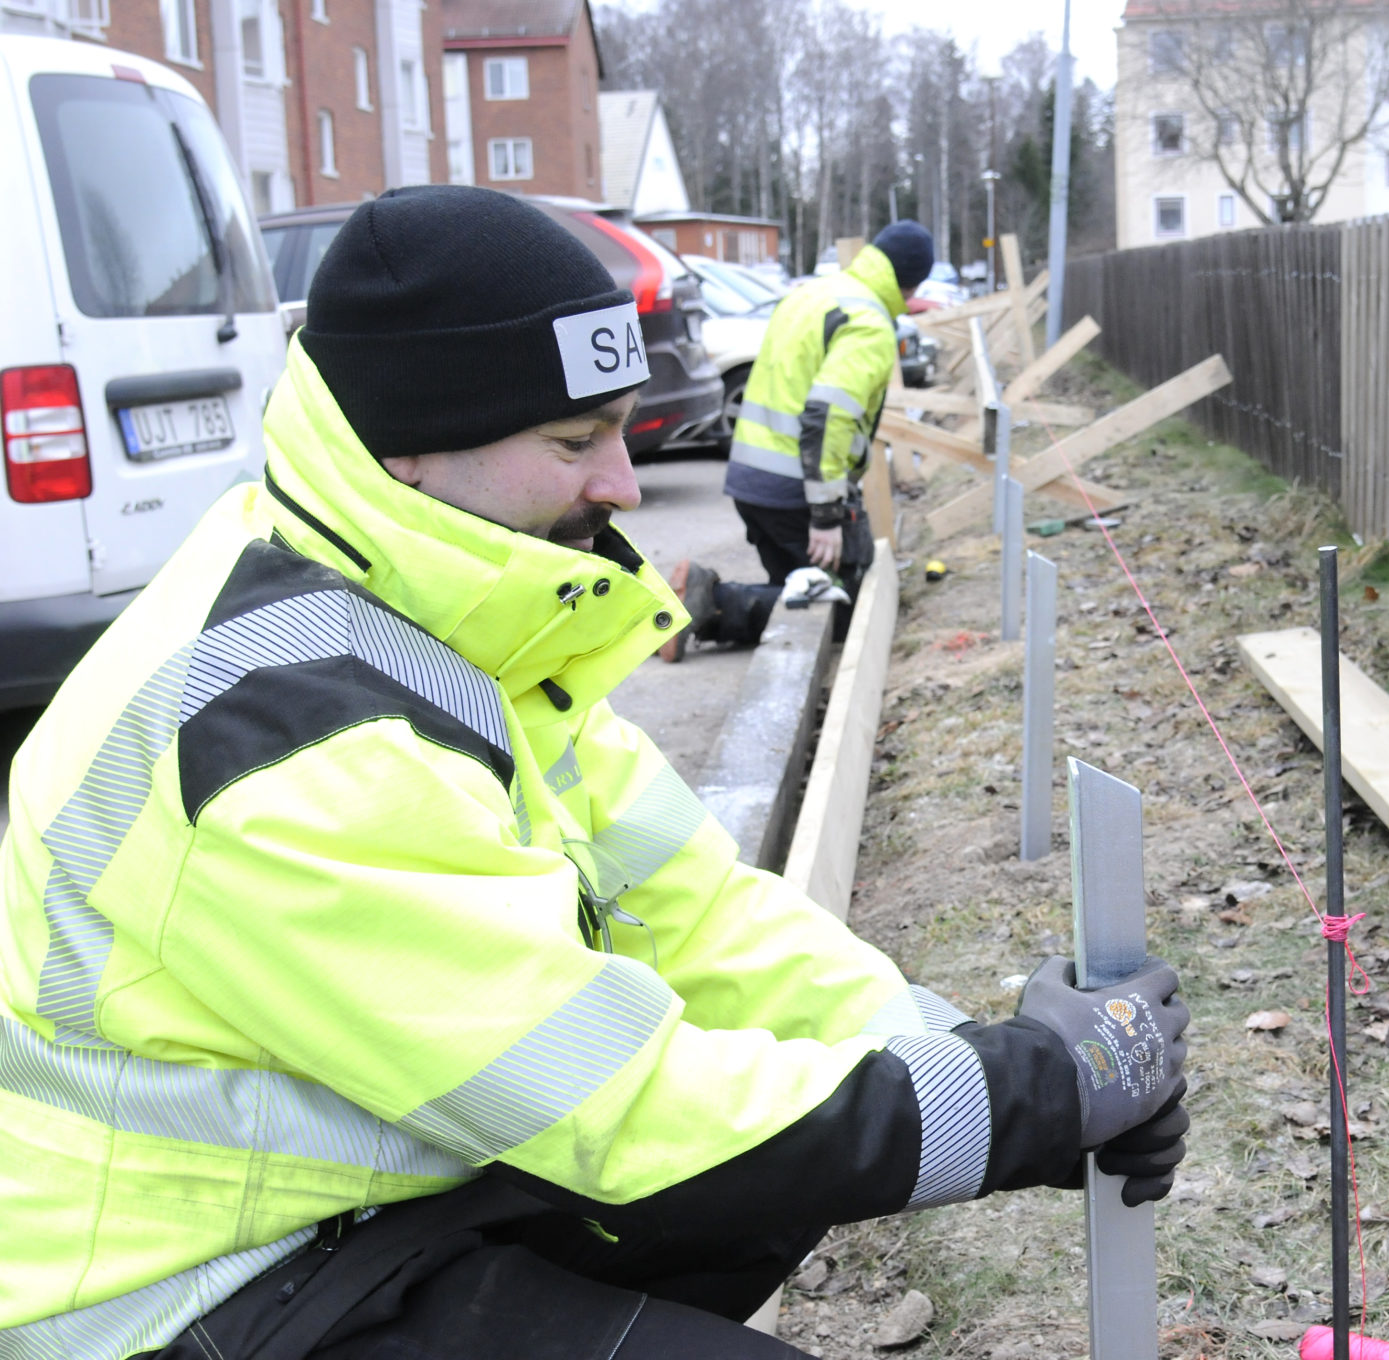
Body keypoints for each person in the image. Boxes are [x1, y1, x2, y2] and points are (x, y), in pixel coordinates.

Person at [0, 188, 1189, 1360]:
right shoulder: (291, 738)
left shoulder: (448, 617)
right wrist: (1031, 1097)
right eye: (575, 442)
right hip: (172, 1293)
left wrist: (988, 1055)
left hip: (350, 1191)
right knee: (730, 1171)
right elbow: (615, 1103)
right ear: (410, 445)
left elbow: (700, 915)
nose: (622, 484)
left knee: (767, 1185)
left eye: (620, 428)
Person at [723, 221, 934, 602]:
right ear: (915, 285)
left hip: (751, 480)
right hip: (794, 491)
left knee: (794, 587)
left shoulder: (814, 294)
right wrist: (825, 517)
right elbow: (828, 415)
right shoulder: (869, 324)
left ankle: (714, 605)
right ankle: (708, 605)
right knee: (836, 605)